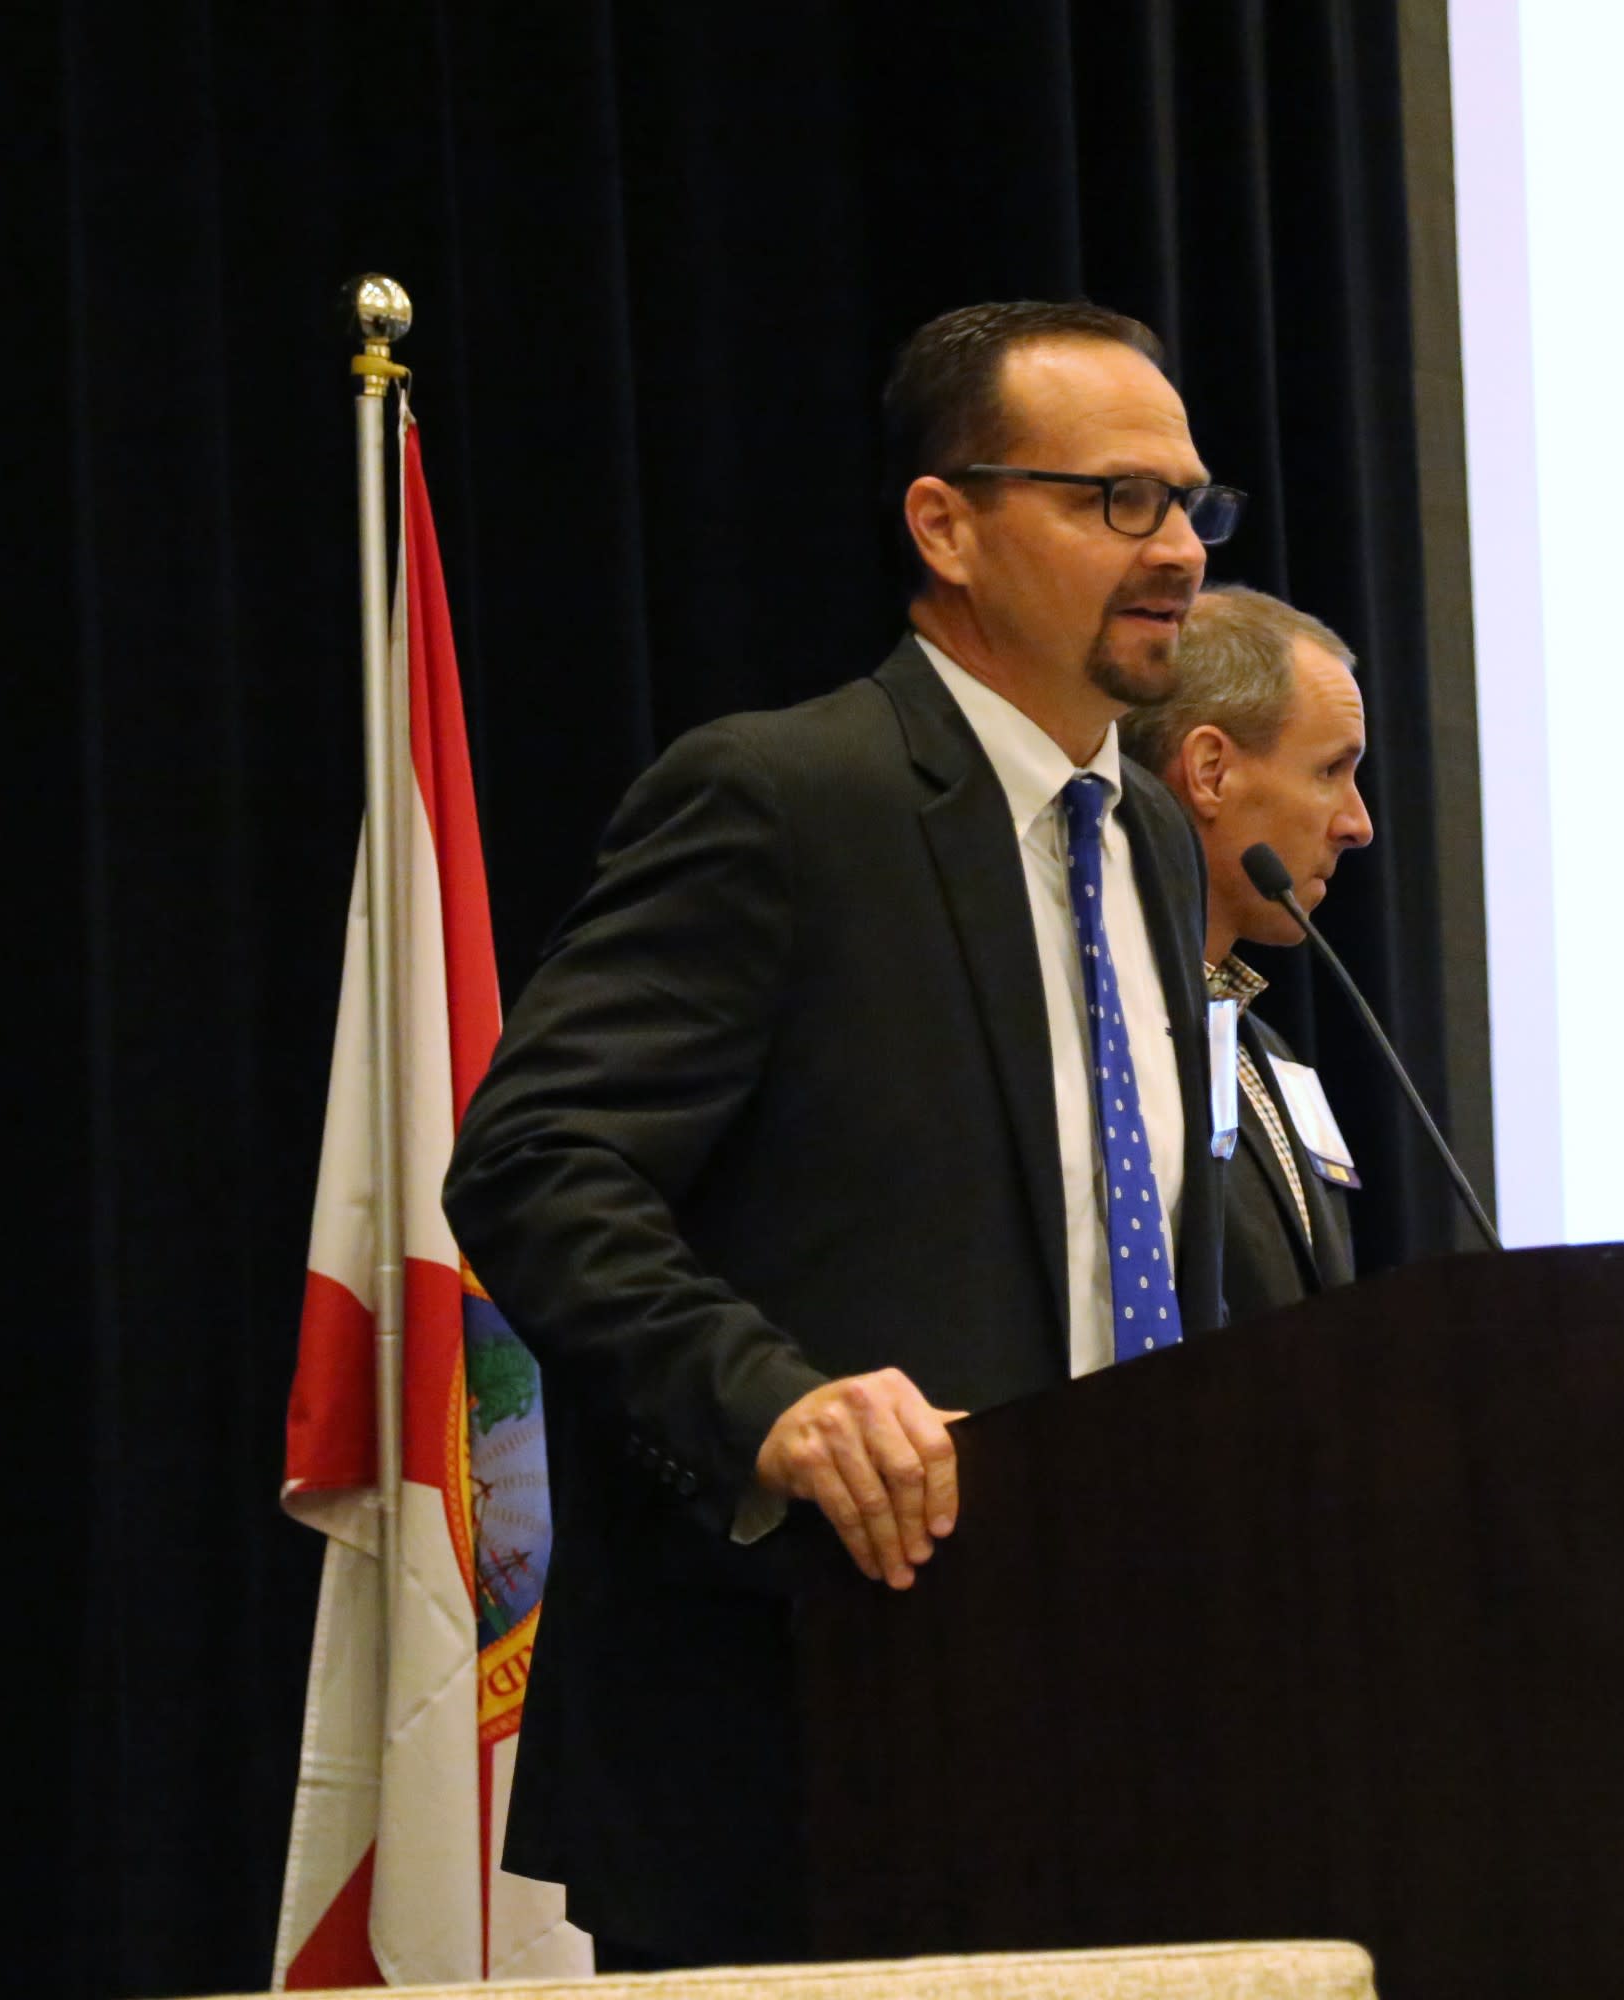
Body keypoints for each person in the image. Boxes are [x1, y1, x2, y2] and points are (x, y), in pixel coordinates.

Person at [443, 300, 1244, 1969]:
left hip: (1117, 1704)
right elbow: (535, 1164)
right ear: (945, 524)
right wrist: (776, 1403)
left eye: (1188, 503)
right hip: (810, 1718)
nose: (1176, 549)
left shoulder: (1155, 844)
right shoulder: (785, 798)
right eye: (1118, 499)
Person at [1120, 585, 1372, 1320]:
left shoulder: (1262, 1049)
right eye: (1330, 770)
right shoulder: (1108, 1045)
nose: (1358, 824)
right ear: (1211, 772)